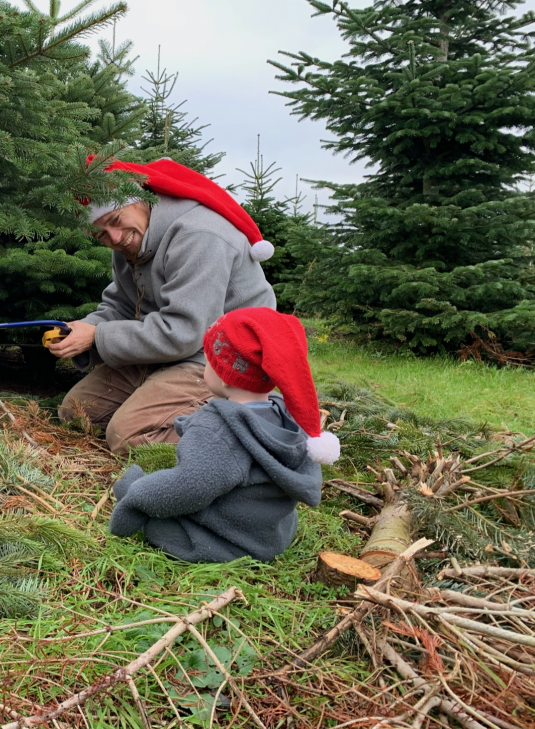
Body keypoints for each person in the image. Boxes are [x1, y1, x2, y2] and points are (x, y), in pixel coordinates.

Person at [50, 158, 277, 452]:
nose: (115, 238)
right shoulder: (131, 241)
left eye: (115, 220)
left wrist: (97, 336)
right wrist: (84, 330)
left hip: (223, 357)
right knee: (78, 412)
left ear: (139, 200)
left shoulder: (198, 235)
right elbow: (121, 305)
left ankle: (255, 431)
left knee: (127, 435)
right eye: (101, 234)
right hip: (171, 351)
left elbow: (183, 332)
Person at [107, 307, 339, 563]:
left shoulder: (219, 429)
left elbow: (190, 487)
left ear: (226, 377)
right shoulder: (285, 414)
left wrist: (137, 497)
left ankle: (136, 489)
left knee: (156, 514)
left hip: (227, 542)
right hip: (271, 534)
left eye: (209, 360)